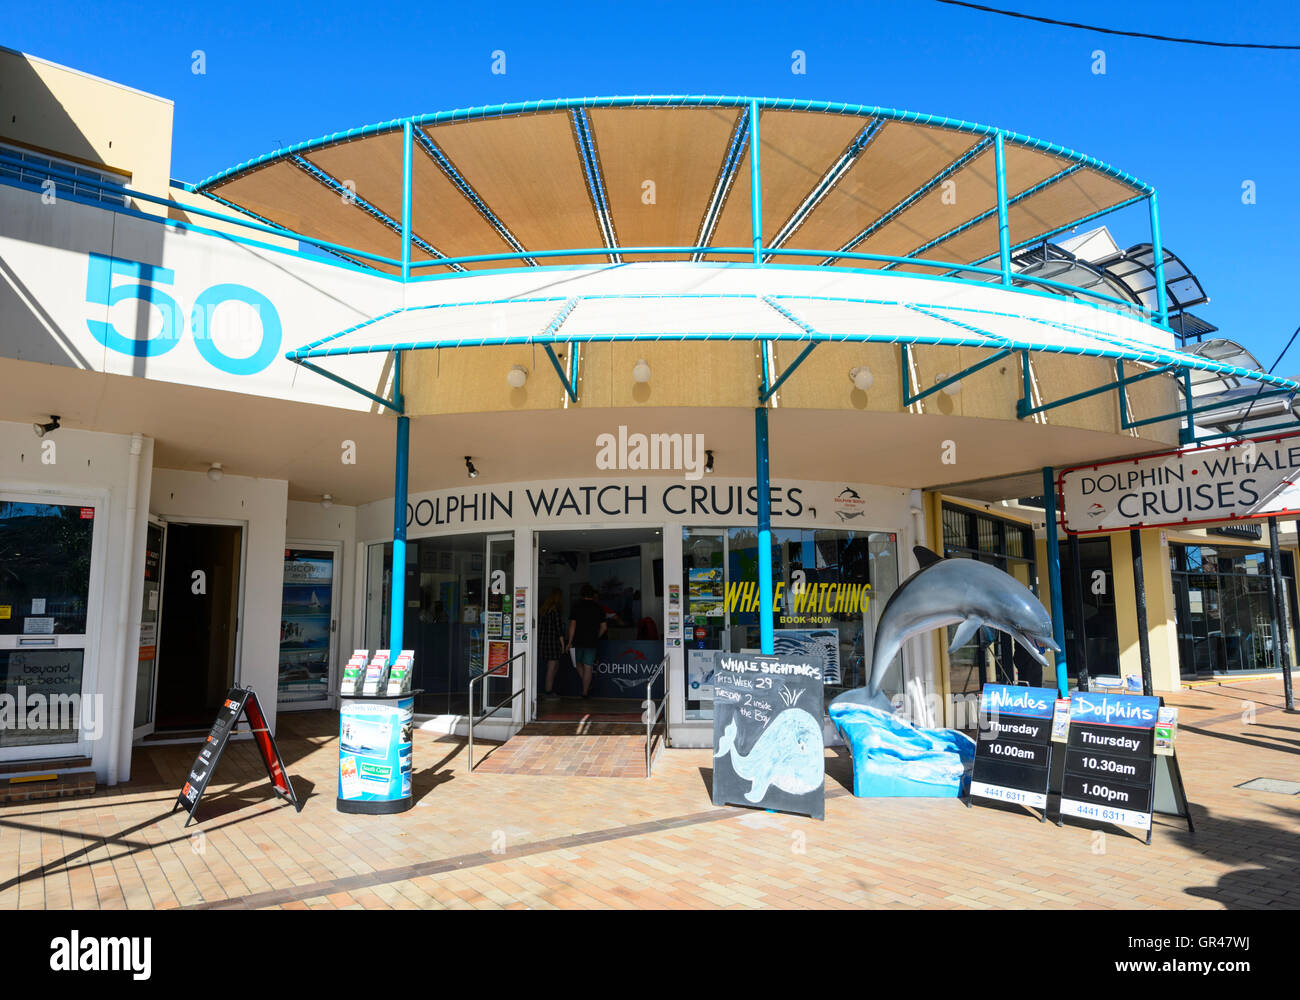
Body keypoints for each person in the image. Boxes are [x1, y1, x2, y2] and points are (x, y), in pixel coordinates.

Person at [568, 583, 607, 698]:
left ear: (581, 594)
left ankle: (586, 685)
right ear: (593, 594)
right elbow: (604, 627)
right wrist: (596, 635)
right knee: (588, 666)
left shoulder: (576, 606)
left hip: (578, 641)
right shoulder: (598, 607)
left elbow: (572, 625)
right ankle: (585, 692)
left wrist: (569, 641)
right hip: (592, 641)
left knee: (577, 664)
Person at [538, 588, 566, 699]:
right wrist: (563, 645)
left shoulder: (543, 610)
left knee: (553, 666)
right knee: (552, 667)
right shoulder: (555, 611)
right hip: (553, 643)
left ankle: (549, 690)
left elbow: (540, 628)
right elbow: (559, 630)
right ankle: (548, 692)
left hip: (544, 642)